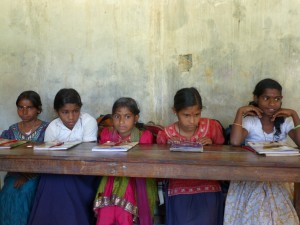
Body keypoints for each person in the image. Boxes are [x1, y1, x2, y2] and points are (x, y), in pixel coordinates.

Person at [224, 78, 300, 225]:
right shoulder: (250, 121)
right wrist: (240, 112)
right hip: (251, 175)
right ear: (256, 98)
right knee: (258, 201)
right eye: (266, 98)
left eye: (276, 99)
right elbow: (234, 141)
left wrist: (294, 115)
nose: (272, 104)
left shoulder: (285, 122)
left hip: (278, 176)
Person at [28, 88, 100, 225]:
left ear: (80, 109)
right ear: (57, 111)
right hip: (58, 170)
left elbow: (87, 153)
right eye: (65, 112)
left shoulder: (88, 121)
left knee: (63, 183)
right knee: (49, 181)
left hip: (85, 172)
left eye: (75, 111)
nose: (71, 117)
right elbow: (48, 157)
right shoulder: (53, 127)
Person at [156, 87, 225, 225]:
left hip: (208, 184)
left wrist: (212, 145)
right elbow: (160, 166)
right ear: (175, 111)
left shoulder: (212, 127)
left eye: (197, 114)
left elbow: (224, 155)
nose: (192, 121)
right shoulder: (166, 134)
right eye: (186, 115)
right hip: (178, 188)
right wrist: (167, 147)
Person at [94, 97, 157, 225]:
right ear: (112, 118)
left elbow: (143, 161)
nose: (122, 121)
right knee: (106, 213)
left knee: (124, 213)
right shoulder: (106, 134)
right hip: (110, 178)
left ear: (136, 118)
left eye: (127, 117)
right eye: (117, 117)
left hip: (134, 179)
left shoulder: (144, 136)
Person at [0, 90, 49, 225]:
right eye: (20, 107)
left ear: (38, 109)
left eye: (29, 107)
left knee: (25, 192)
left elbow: (50, 155)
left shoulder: (47, 129)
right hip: (14, 173)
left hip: (39, 174)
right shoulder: (12, 130)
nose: (24, 111)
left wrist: (28, 175)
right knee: (8, 191)